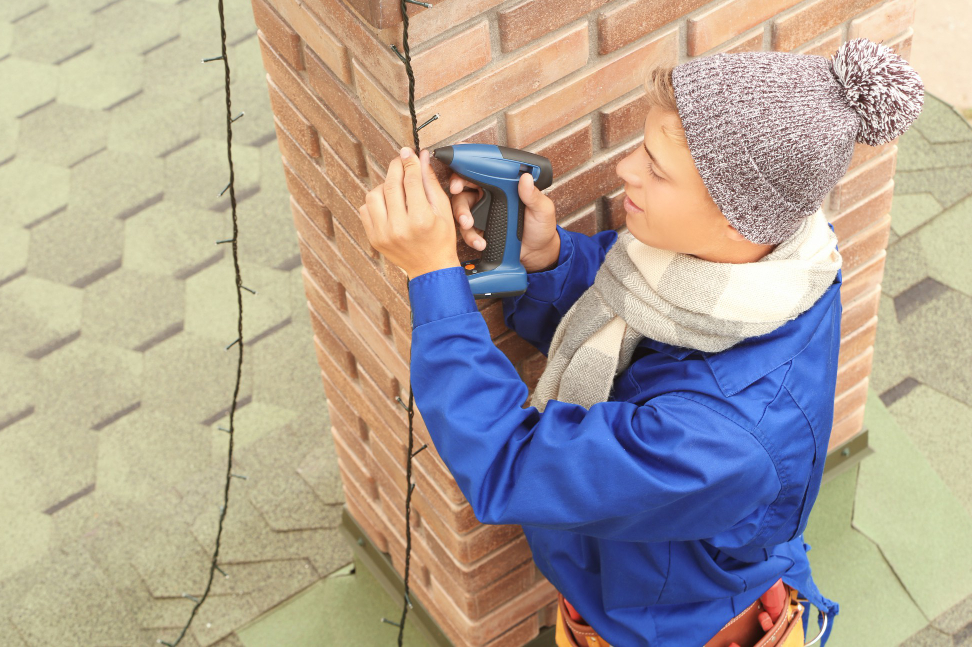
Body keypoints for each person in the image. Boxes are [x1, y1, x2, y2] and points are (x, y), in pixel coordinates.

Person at [359, 37, 923, 647]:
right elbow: (642, 315)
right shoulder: (776, 264)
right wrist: (549, 260)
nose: (626, 169)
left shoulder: (722, 441)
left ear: (737, 218)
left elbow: (510, 464)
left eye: (656, 167)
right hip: (640, 592)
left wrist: (432, 277)